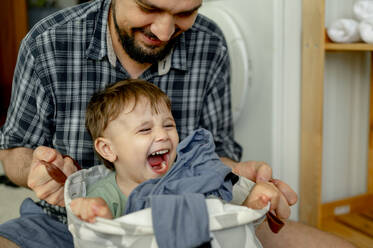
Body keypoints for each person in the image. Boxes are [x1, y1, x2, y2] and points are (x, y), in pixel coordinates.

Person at [0, 0, 354, 247]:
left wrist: (240, 178)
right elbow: (12, 151)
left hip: (196, 217)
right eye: (148, 7)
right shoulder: (48, 42)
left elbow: (215, 158)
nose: (166, 30)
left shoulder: (210, 43)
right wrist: (36, 168)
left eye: (186, 13)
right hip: (66, 225)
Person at [70, 79, 284, 224]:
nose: (163, 135)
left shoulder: (188, 179)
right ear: (107, 149)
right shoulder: (105, 194)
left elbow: (221, 222)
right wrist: (99, 215)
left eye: (169, 125)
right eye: (145, 129)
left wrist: (249, 204)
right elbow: (104, 240)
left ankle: (251, 209)